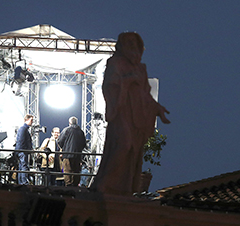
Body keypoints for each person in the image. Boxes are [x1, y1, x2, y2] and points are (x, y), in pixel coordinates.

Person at [89, 32, 170, 196]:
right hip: (121, 113)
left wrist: (157, 107)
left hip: (136, 117)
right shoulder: (115, 63)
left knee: (133, 151)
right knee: (123, 145)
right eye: (129, 42)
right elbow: (109, 87)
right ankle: (105, 182)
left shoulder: (141, 68)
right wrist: (126, 81)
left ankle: (122, 187)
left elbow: (145, 93)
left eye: (135, 42)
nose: (132, 45)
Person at [57, 116, 86, 187]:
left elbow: (60, 141)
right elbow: (84, 144)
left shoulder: (66, 130)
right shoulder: (81, 132)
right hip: (77, 155)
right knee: (76, 171)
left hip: (67, 155)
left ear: (69, 122)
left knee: (67, 171)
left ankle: (68, 186)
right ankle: (75, 186)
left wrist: (64, 149)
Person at [16, 114, 34, 185]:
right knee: (23, 166)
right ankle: (23, 182)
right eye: (31, 120)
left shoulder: (24, 129)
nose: (32, 122)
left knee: (22, 167)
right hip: (23, 151)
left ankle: (21, 182)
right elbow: (21, 141)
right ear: (27, 120)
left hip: (22, 151)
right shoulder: (23, 129)